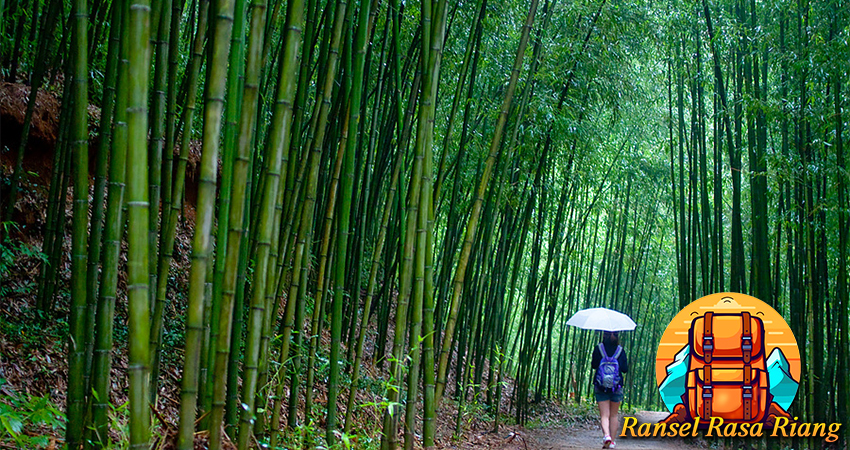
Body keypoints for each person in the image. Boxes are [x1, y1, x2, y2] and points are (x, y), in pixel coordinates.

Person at [591, 330, 628, 449]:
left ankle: (606, 435)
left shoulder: (598, 348)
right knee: (613, 415)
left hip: (600, 386)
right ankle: (612, 442)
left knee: (604, 415)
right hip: (616, 387)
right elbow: (624, 369)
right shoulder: (620, 350)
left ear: (604, 334)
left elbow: (594, 365)